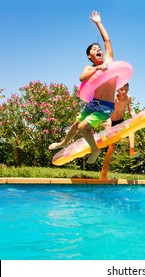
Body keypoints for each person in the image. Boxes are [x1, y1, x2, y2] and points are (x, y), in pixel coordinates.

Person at [49, 11, 116, 164]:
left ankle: (95, 149)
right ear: (89, 55)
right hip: (94, 102)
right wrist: (97, 69)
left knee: (83, 127)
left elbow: (107, 40)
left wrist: (98, 23)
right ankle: (63, 143)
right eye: (94, 49)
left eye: (98, 48)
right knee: (75, 124)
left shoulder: (109, 61)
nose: (98, 49)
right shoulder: (89, 67)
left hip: (106, 106)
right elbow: (82, 78)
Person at [101, 83, 140, 179]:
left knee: (131, 129)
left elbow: (130, 110)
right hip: (110, 121)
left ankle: (132, 150)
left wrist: (132, 113)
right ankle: (104, 173)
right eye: (121, 89)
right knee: (111, 149)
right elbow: (108, 112)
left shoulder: (128, 98)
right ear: (117, 90)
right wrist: (108, 123)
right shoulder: (114, 98)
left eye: (126, 89)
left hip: (120, 121)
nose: (124, 92)